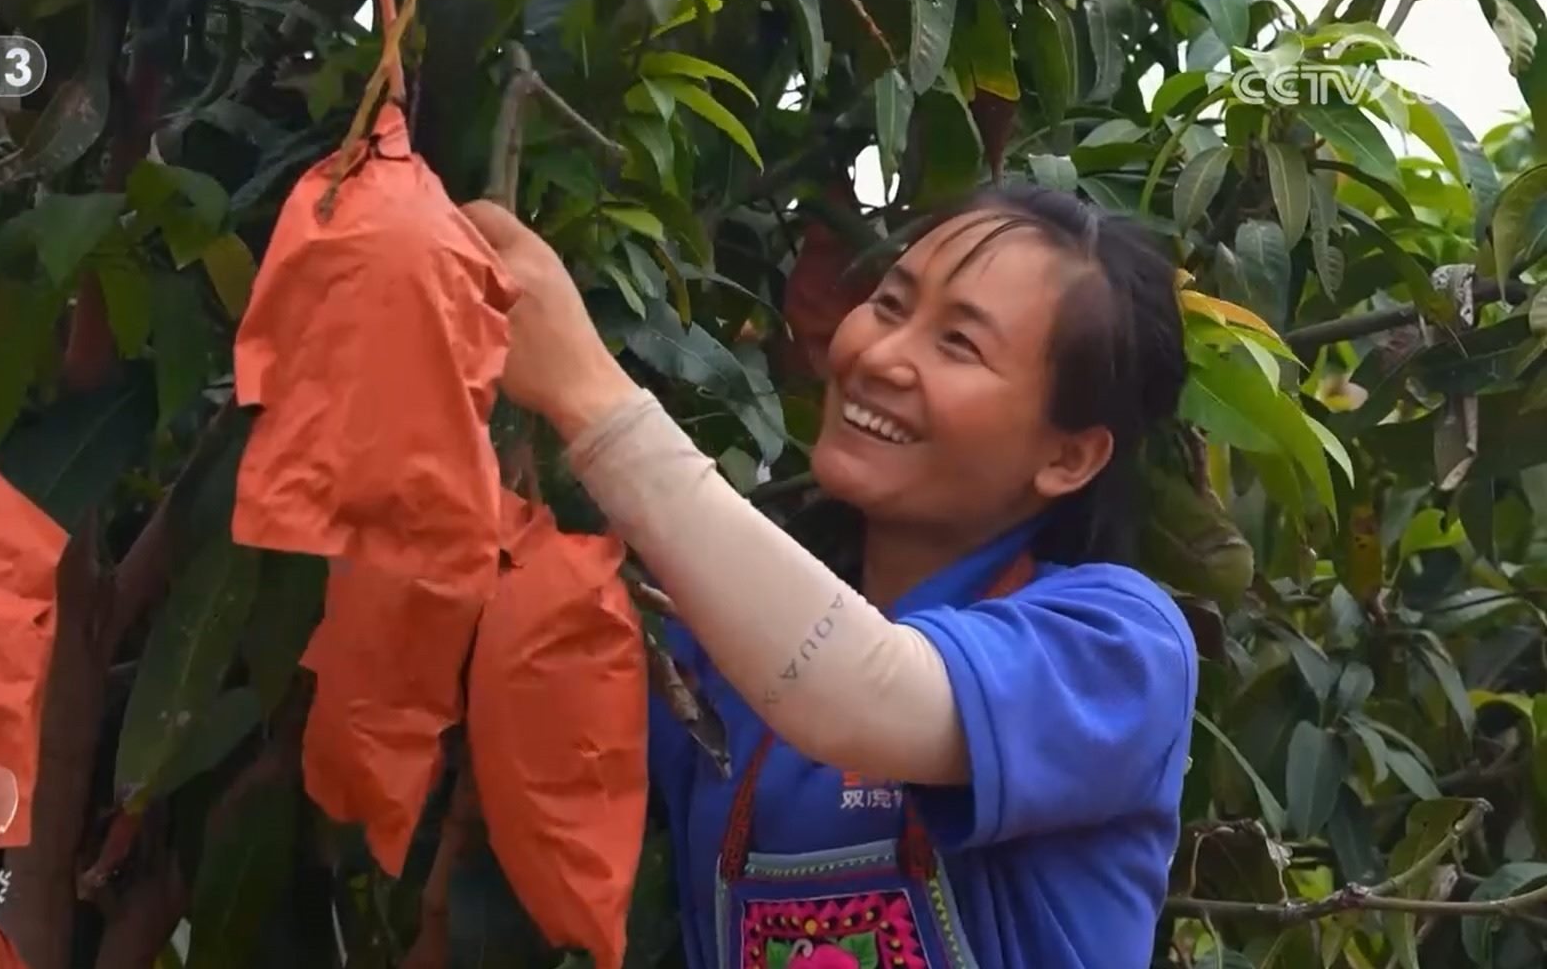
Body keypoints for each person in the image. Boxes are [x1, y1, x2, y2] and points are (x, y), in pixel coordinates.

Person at [459, 184, 1199, 969]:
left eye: (957, 344)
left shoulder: (1117, 651)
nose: (878, 356)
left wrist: (588, 395)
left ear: (1067, 457)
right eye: (889, 304)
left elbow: (860, 689)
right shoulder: (711, 645)